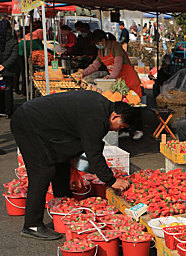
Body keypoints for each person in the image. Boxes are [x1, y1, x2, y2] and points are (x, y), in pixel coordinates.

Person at [10, 90, 134, 240]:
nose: (116, 130)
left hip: (44, 126)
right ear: (116, 116)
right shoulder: (97, 119)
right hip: (28, 123)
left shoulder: (101, 106)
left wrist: (73, 166)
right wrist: (111, 180)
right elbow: (93, 154)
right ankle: (32, 225)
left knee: (61, 162)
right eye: (120, 127)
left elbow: (76, 139)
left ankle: (63, 204)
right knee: (42, 171)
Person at [82, 30, 144, 140]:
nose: (98, 44)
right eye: (96, 43)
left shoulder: (115, 47)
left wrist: (111, 77)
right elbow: (95, 65)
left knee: (134, 102)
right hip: (118, 80)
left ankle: (136, 129)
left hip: (128, 78)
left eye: (99, 41)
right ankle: (124, 129)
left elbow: (118, 64)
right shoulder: (101, 52)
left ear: (104, 39)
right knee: (121, 104)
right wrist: (82, 73)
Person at [0, 20, 19, 118]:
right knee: (7, 89)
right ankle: (8, 112)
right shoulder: (13, 41)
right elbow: (14, 56)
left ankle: (1, 109)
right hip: (8, 70)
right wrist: (4, 65)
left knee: (1, 89)